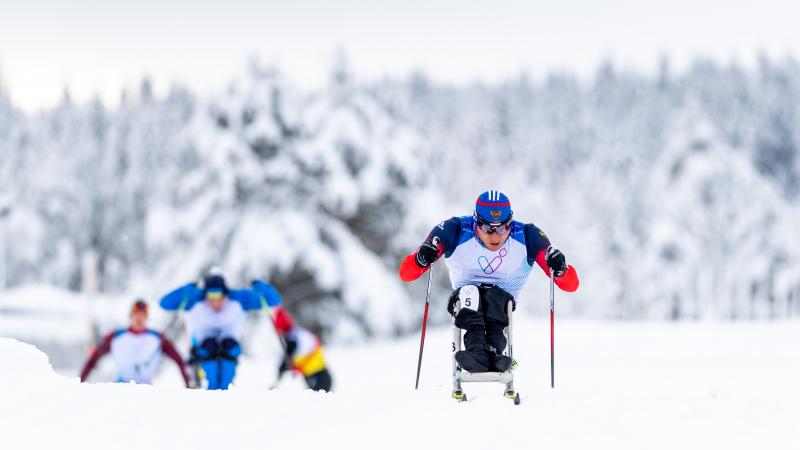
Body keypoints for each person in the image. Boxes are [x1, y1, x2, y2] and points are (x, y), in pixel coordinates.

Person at [399, 190, 579, 373]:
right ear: (476, 222)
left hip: (502, 300)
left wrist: (560, 269)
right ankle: (476, 353)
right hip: (465, 298)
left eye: (503, 228)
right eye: (488, 229)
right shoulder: (454, 229)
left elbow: (571, 285)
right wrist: (421, 259)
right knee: (471, 293)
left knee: (495, 296)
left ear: (511, 223)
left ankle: (494, 352)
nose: (496, 235)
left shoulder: (528, 235)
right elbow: (407, 274)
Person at [159, 270, 262, 390]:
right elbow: (164, 303)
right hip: (202, 350)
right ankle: (208, 388)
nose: (215, 302)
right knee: (209, 345)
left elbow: (273, 300)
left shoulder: (238, 300)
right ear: (205, 294)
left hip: (228, 349)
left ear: (225, 294)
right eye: (211, 297)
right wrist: (187, 289)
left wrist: (260, 286)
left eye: (219, 297)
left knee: (230, 345)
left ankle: (225, 388)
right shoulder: (194, 301)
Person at [79, 300, 190, 387]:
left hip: (146, 390)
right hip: (120, 388)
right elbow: (93, 359)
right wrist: (80, 381)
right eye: (136, 314)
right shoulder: (116, 336)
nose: (139, 318)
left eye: (142, 315)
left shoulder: (157, 338)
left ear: (146, 317)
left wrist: (189, 386)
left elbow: (179, 360)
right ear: (131, 316)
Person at [272, 307, 333, 392]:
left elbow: (286, 361)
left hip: (316, 376)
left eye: (278, 330)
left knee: (317, 400)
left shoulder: (293, 339)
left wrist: (277, 381)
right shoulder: (297, 334)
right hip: (318, 373)